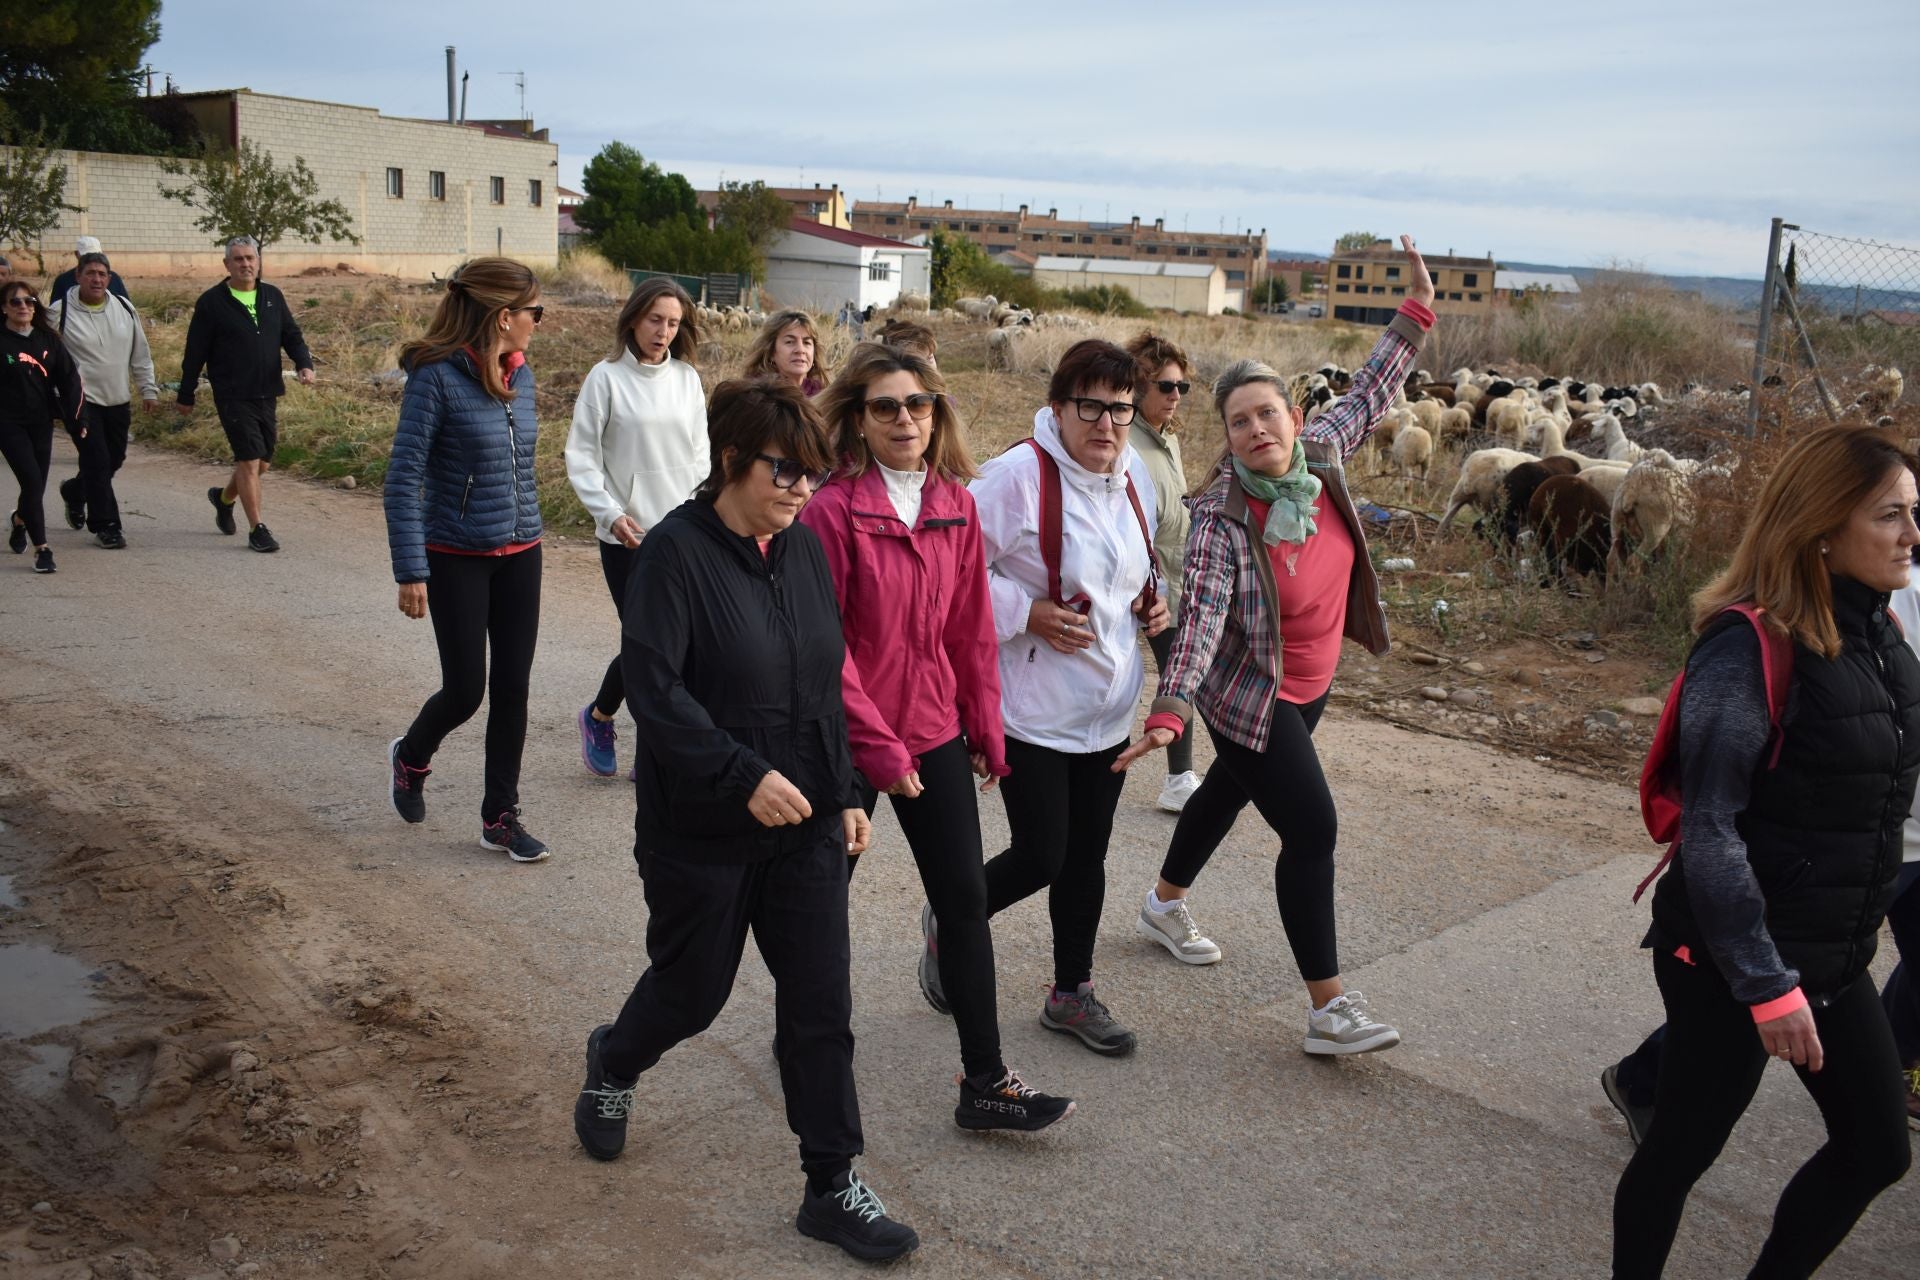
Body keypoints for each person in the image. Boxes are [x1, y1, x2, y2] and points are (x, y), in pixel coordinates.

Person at [571, 379, 918, 1263]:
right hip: (702, 827)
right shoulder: (673, 556)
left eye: (813, 473)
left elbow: (822, 685)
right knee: (692, 992)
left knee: (819, 1006)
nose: (802, 489)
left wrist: (842, 790)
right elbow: (655, 689)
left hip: (801, 822)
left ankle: (831, 1183)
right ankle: (615, 1061)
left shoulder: (799, 551)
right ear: (731, 460)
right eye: (785, 470)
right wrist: (740, 773)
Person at [1609, 425, 1920, 1279]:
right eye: (1891, 515)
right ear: (1823, 525)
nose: (1913, 535)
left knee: (1876, 1151)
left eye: (1914, 513)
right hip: (1727, 956)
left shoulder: (1884, 633)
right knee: (1681, 1149)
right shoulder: (1747, 648)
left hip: (1833, 950)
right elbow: (1710, 827)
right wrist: (1765, 983)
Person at [1117, 236, 1434, 1046]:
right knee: (1313, 827)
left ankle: (1162, 903)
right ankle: (1329, 1007)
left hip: (1311, 676)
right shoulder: (1224, 517)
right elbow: (1205, 616)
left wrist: (1415, 310)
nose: (1256, 429)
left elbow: (1373, 386)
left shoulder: (1324, 456)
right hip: (1243, 687)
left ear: (1294, 419)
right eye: (1238, 421)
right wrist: (1171, 704)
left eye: (1267, 413)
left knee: (1229, 790)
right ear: (1226, 436)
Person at [799, 342, 1074, 1132]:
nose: (904, 419)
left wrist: (986, 729)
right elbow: (827, 652)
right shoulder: (832, 511)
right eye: (885, 406)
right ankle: (807, 1046)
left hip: (933, 733)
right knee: (821, 908)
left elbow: (969, 632)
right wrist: (877, 751)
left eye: (917, 404)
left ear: (936, 412)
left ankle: (984, 1081)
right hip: (847, 743)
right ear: (857, 417)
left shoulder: (956, 503)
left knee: (963, 900)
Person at [967, 338, 1169, 1057]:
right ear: (1058, 405)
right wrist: (1026, 613)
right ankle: (955, 914)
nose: (1107, 424)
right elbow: (947, 572)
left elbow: (1133, 567)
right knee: (1043, 854)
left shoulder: (1135, 474)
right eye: (1091, 406)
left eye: (1120, 408)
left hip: (1107, 711)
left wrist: (1154, 600)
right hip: (1033, 711)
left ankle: (1070, 994)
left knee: (1088, 857)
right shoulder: (1016, 476)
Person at [383, 258, 550, 864]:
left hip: (521, 548)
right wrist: (410, 568)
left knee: (514, 688)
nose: (539, 322)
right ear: (504, 316)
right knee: (466, 690)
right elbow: (402, 479)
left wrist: (529, 523)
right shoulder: (436, 379)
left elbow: (520, 465)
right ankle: (411, 755)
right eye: (535, 311)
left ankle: (499, 818)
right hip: (455, 553)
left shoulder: (521, 374)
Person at [564, 278, 708, 778]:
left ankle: (607, 718)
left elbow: (699, 457)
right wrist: (609, 513)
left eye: (673, 323)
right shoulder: (604, 379)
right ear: (633, 319)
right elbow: (581, 456)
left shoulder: (687, 378)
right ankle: (616, 729)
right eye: (655, 320)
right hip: (626, 535)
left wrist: (698, 514)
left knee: (675, 643)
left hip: (681, 532)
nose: (663, 331)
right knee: (650, 643)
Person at [177, 235, 314, 553]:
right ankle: (258, 529)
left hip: (266, 391)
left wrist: (304, 364)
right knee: (250, 461)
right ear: (227, 264)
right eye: (238, 259)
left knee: (262, 462)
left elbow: (291, 335)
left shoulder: (272, 296)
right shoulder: (211, 302)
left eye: (250, 258)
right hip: (232, 393)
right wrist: (186, 393)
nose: (245, 264)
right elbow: (195, 351)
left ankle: (223, 499)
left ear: (258, 261)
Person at [1125, 331, 1202, 815]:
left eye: (1182, 387)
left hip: (1174, 577)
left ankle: (1180, 777)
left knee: (1180, 672)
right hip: (1146, 585)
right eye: (1165, 387)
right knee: (1177, 672)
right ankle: (1179, 779)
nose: (1175, 395)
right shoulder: (1127, 442)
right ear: (1136, 388)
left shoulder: (1165, 440)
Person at [48, 252, 158, 548]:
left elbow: (140, 352)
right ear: (78, 276)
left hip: (118, 398)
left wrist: (148, 388)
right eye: (90, 273)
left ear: (109, 279)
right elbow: (43, 356)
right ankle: (106, 525)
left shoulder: (123, 307)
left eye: (102, 274)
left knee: (114, 458)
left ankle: (75, 491)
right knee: (96, 460)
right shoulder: (60, 312)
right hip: (80, 402)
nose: (96, 279)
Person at [2, 281, 85, 575]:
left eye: (29, 301)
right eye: (16, 302)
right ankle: (43, 549)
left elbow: (70, 380)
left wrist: (77, 418)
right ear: (4, 308)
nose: (23, 306)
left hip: (41, 423)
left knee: (35, 485)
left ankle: (20, 521)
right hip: (8, 424)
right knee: (32, 482)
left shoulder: (47, 341)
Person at [742, 309, 829, 395]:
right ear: (771, 351)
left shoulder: (826, 397)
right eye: (789, 342)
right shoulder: (754, 397)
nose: (800, 350)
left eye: (807, 343)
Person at [50, 236, 130, 303]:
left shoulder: (114, 279)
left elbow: (126, 308)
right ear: (76, 254)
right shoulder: (63, 281)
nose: (97, 280)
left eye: (95, 254)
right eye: (86, 255)